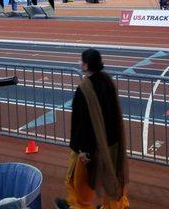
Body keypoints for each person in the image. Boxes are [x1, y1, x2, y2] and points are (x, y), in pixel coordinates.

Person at [54, 49, 129, 209]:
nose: (79, 63)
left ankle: (77, 206)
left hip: (90, 148)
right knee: (113, 180)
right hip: (113, 143)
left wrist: (83, 150)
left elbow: (83, 123)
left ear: (86, 65)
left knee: (79, 183)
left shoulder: (84, 90)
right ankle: (118, 206)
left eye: (81, 61)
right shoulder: (108, 81)